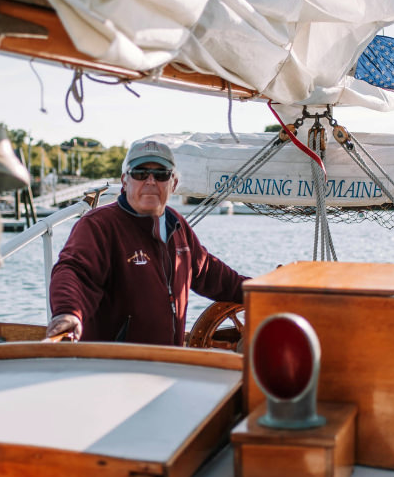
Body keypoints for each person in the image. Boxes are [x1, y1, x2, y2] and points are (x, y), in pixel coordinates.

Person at [46, 139, 247, 345]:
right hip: (112, 367)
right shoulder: (99, 226)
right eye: (140, 173)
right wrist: (67, 312)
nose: (150, 181)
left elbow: (211, 274)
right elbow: (75, 272)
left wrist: (261, 292)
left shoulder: (177, 225)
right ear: (125, 181)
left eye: (161, 175)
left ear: (173, 183)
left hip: (166, 365)